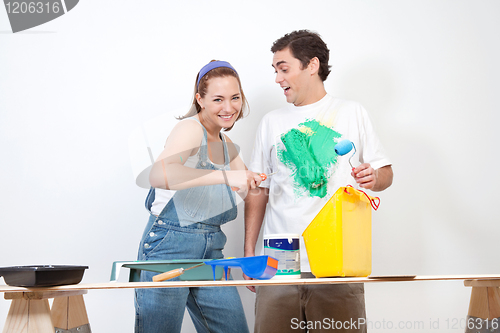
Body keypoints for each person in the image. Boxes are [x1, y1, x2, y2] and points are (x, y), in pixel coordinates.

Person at [244, 30, 394, 333]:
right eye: (275, 70)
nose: (277, 78)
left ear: (312, 65)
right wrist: (249, 251)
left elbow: (385, 174)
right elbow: (259, 190)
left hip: (337, 264)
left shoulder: (352, 112)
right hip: (279, 266)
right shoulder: (271, 122)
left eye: (284, 69)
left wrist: (374, 177)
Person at [135, 60, 261, 333]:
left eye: (235, 98)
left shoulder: (227, 145)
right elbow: (158, 174)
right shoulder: (190, 129)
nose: (228, 108)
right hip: (169, 247)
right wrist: (226, 177)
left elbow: (251, 190)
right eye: (218, 99)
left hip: (211, 250)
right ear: (199, 99)